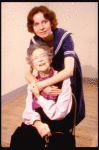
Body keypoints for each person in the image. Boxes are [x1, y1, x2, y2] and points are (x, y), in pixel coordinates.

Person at [25, 5, 85, 126]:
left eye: (44, 22)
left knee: (67, 100)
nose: (41, 27)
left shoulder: (65, 37)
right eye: (36, 24)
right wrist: (42, 87)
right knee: (46, 102)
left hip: (66, 72)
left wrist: (41, 85)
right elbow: (27, 72)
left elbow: (68, 71)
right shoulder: (34, 42)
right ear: (32, 27)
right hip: (48, 72)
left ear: (51, 22)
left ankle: (67, 126)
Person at [10, 42, 75, 149]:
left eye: (43, 56)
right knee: (19, 137)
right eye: (35, 58)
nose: (40, 60)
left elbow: (60, 113)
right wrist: (38, 124)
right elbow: (29, 110)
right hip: (37, 124)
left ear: (50, 60)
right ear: (33, 65)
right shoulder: (33, 82)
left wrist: (39, 97)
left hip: (57, 126)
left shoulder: (64, 80)